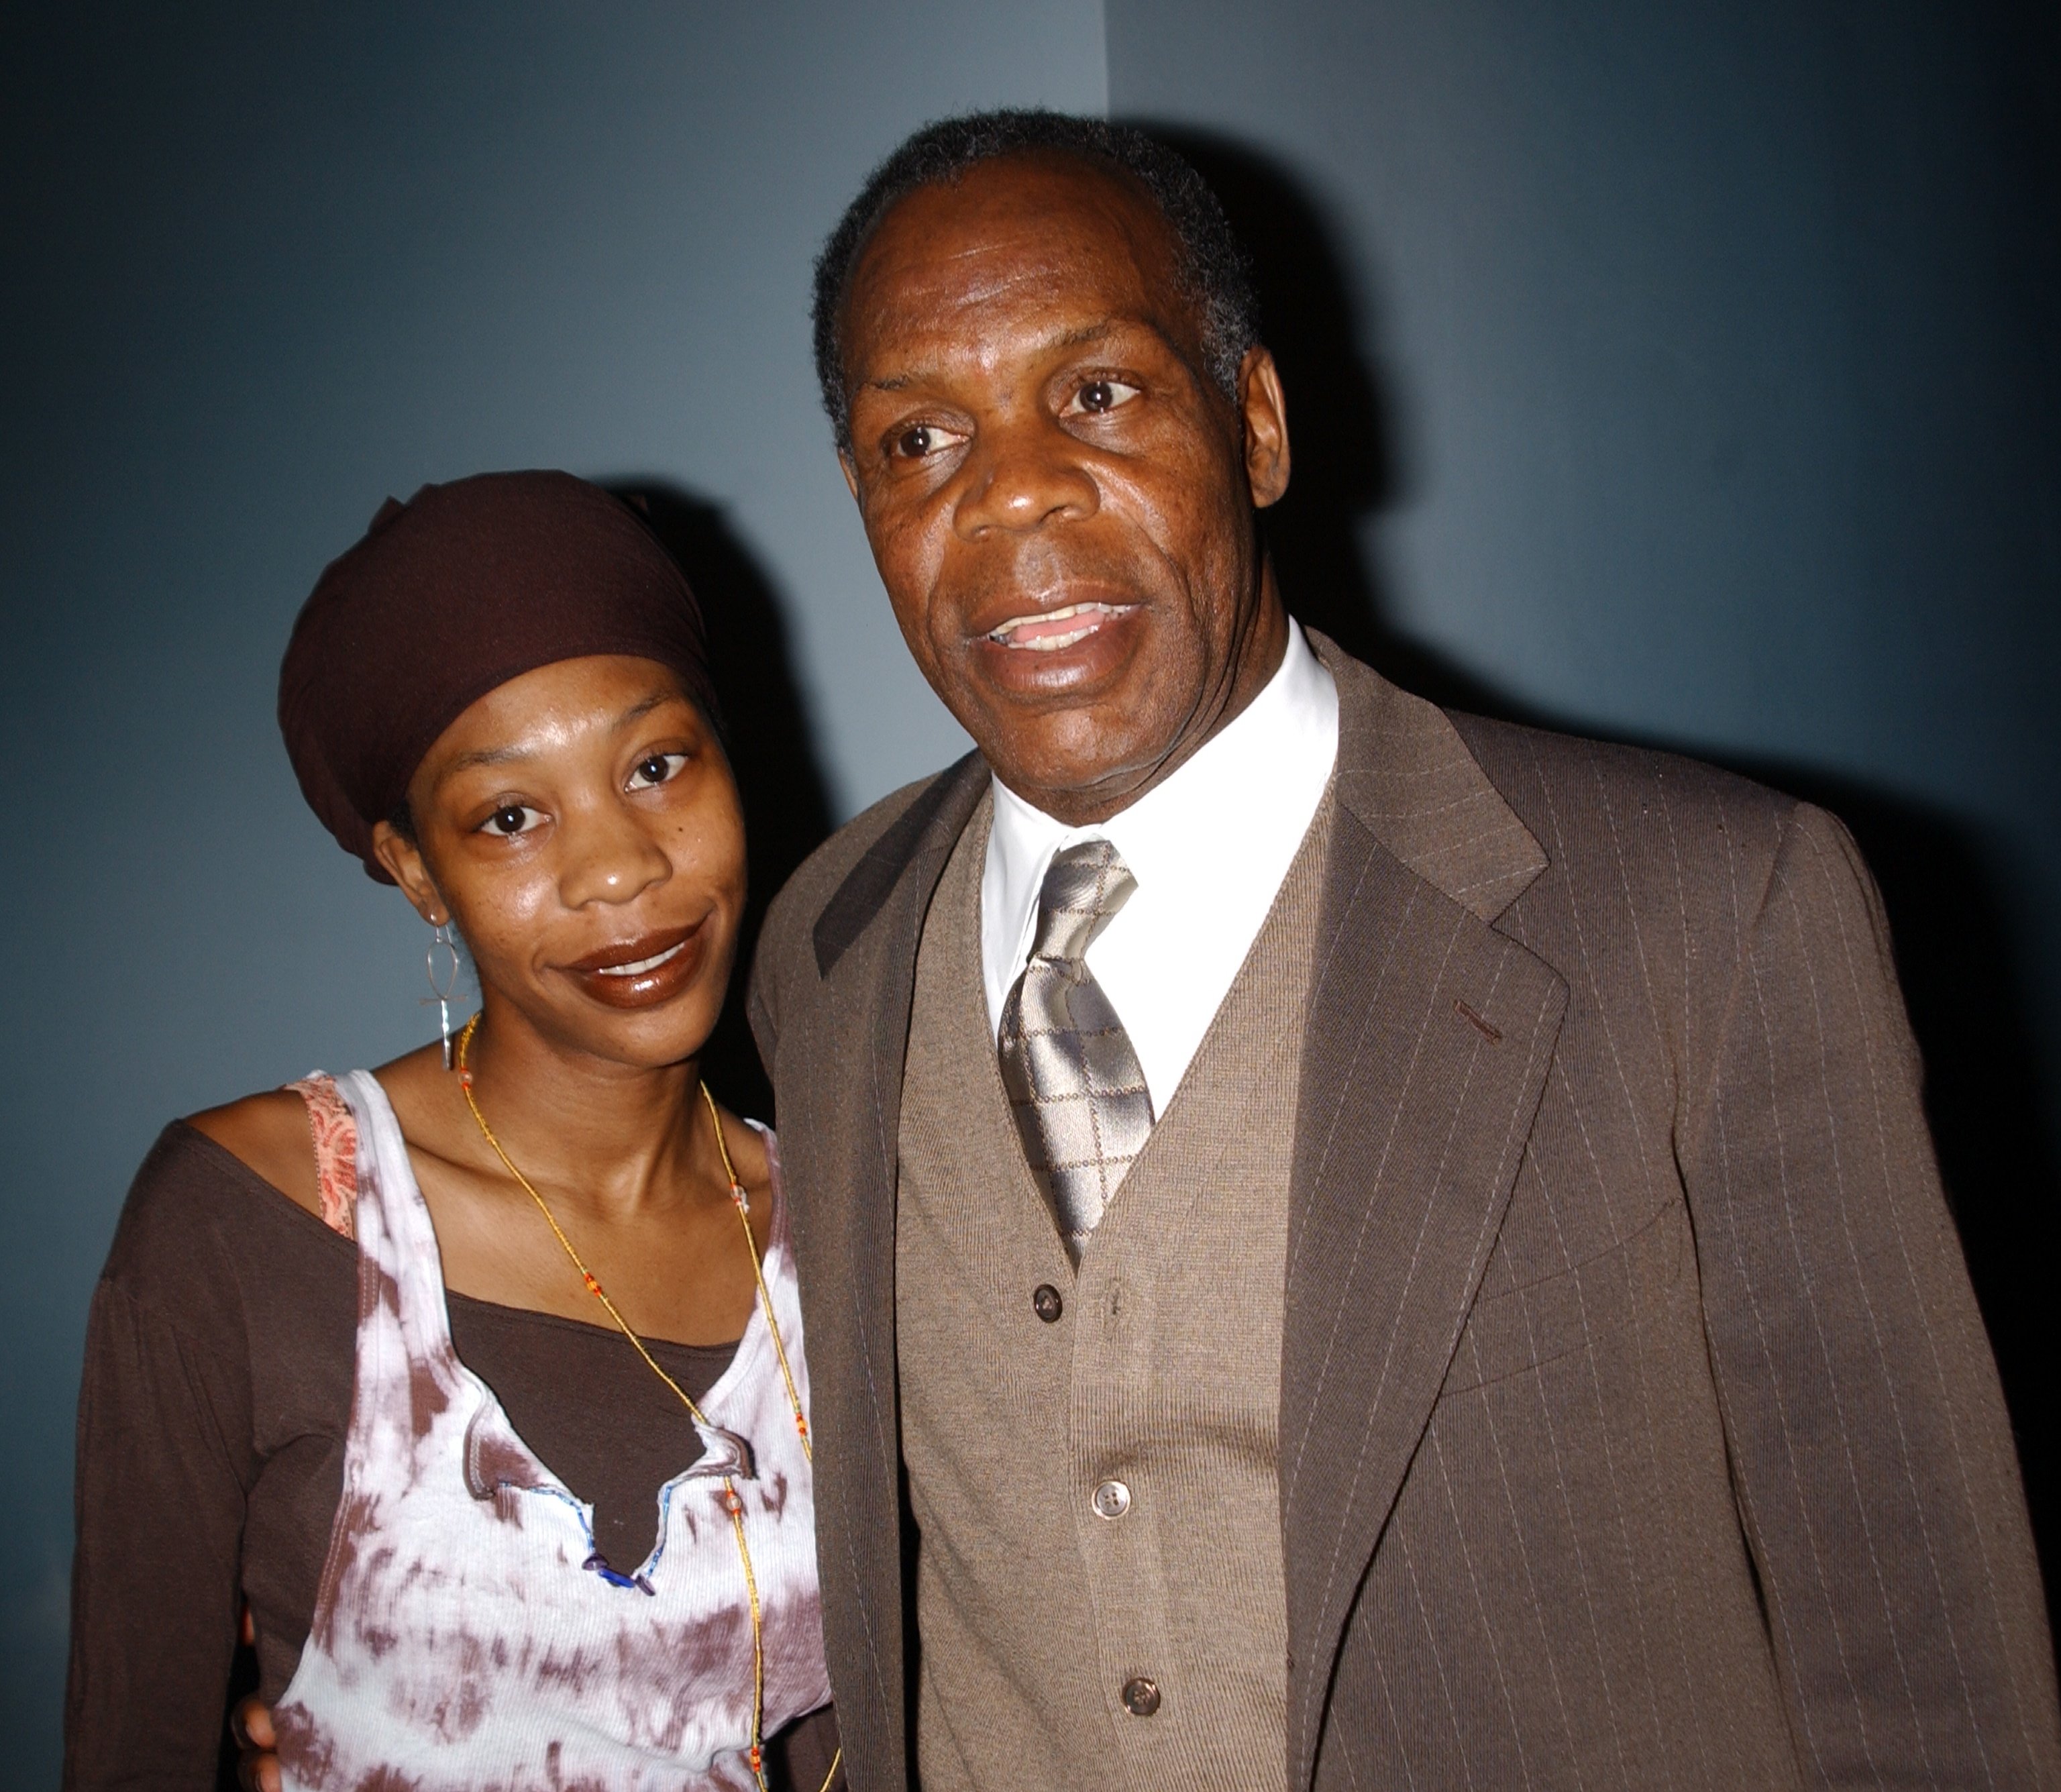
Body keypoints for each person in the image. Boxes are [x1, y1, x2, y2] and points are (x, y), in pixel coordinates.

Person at [741, 111, 2060, 1789]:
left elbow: (1926, 1659)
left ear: (1260, 424)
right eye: (918, 436)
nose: (1009, 488)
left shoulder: (1712, 918)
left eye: (1097, 393)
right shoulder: (828, 947)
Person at [64, 472, 841, 1791]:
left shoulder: (845, 1222)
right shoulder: (246, 1225)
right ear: (417, 866)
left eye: (657, 764)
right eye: (512, 817)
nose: (620, 867)